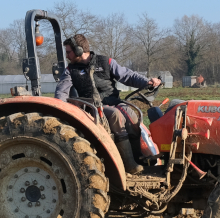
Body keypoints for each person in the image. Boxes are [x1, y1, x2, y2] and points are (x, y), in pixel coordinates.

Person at [55, 33, 161, 174]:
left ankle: (138, 159)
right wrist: (58, 110)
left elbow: (127, 75)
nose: (67, 56)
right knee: (115, 115)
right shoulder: (70, 71)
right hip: (91, 108)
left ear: (79, 50)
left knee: (132, 115)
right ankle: (128, 165)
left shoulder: (106, 62)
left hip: (114, 102)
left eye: (68, 52)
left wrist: (147, 82)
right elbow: (61, 92)